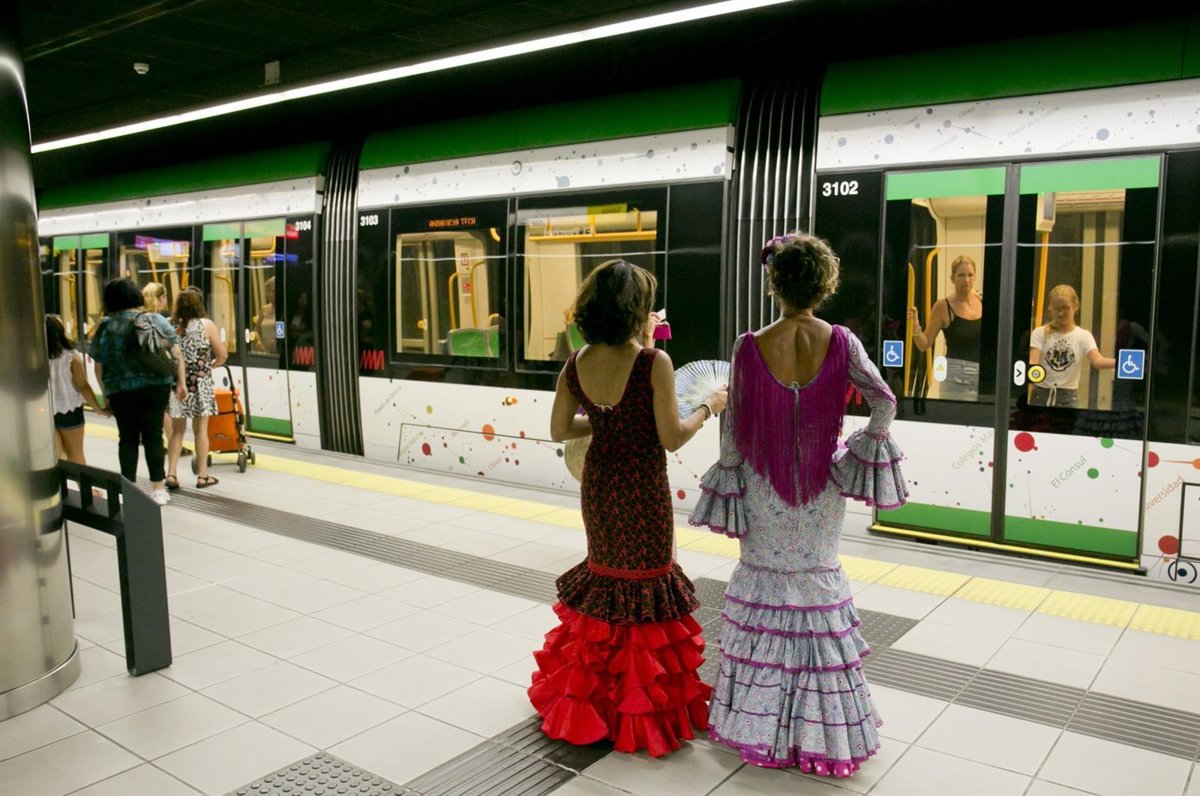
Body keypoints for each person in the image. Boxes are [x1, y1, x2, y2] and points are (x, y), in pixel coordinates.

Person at [690, 233, 908, 777]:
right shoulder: (841, 341)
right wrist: (860, 452)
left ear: (775, 283)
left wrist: (732, 479)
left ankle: (758, 725)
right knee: (816, 601)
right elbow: (884, 401)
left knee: (764, 599)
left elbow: (734, 428)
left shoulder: (748, 346)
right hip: (820, 490)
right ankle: (822, 730)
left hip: (762, 488)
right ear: (824, 284)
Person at [530, 259, 727, 758]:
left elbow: (559, 429)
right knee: (647, 583)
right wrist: (709, 408)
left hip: (599, 487)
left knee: (607, 579)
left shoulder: (576, 362)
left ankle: (591, 699)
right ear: (637, 310)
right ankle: (639, 708)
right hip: (641, 490)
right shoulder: (653, 363)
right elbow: (671, 436)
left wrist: (605, 421)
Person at [91, 278, 187, 505]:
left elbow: (98, 364)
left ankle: (129, 490)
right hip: (155, 387)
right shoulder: (154, 320)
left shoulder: (105, 326)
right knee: (154, 435)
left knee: (127, 439)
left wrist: (106, 393)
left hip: (120, 390)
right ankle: (158, 490)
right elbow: (176, 353)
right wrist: (181, 383)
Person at [166, 288, 228, 490]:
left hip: (178, 383)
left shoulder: (170, 325)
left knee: (177, 431)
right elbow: (223, 355)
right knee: (200, 429)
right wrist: (212, 365)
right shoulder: (206, 325)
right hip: (200, 383)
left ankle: (171, 474)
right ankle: (202, 476)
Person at [907, 255, 982, 400]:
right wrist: (915, 325)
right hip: (956, 375)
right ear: (952, 278)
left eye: (970, 275)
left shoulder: (981, 301)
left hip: (983, 377)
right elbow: (924, 344)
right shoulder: (943, 306)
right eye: (961, 275)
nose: (966, 280)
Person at [1029, 284, 1115, 407]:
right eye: (1056, 309)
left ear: (1076, 306)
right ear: (1050, 308)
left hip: (1068, 397)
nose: (1061, 313)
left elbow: (1098, 361)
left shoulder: (1083, 336)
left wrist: (1121, 363)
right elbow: (1033, 362)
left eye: (1065, 308)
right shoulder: (1039, 333)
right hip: (1040, 395)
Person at [45, 314, 108, 464]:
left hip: (45, 411)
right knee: (75, 454)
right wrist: (98, 408)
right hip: (69, 409)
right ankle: (81, 480)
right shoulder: (71, 357)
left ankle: (57, 479)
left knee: (55, 455)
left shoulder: (34, 358)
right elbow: (82, 386)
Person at [143, 281, 193, 457]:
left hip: (142, 374)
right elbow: (176, 350)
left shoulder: (138, 318)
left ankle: (157, 443)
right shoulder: (160, 320)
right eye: (163, 297)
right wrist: (181, 381)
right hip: (160, 373)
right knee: (164, 408)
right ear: (159, 298)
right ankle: (173, 442)